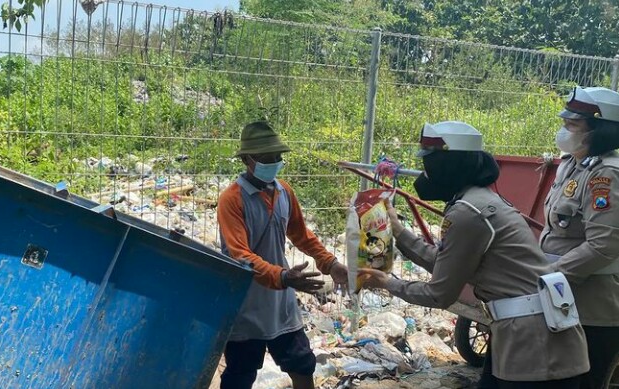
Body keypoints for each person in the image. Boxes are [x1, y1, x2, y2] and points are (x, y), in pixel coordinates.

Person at [358, 121, 589, 388]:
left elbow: (440, 293)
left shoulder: (468, 212)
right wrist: (398, 231)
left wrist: (387, 283)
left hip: (537, 349)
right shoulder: (477, 200)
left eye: (430, 165)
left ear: (449, 167)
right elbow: (449, 263)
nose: (425, 174)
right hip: (527, 336)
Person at [216, 121, 349, 389]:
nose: (275, 161)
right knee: (240, 374)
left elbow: (301, 234)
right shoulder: (232, 199)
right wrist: (283, 276)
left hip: (281, 303)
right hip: (247, 304)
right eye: (267, 157)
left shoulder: (283, 191)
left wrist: (330, 263)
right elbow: (239, 254)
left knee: (302, 363)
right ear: (247, 159)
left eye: (277, 157)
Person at [541, 86, 619, 389]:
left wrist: (548, 277)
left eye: (573, 125)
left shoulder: (606, 175)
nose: (565, 130)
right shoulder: (571, 165)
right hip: (563, 299)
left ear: (598, 130)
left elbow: (604, 245)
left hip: (591, 310)